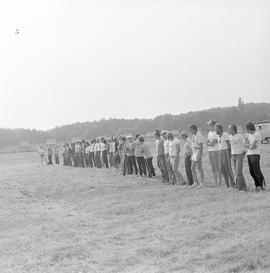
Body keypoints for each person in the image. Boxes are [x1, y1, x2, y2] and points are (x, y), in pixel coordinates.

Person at [245, 121, 266, 191]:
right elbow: (246, 144)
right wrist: (249, 145)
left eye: (247, 128)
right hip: (249, 154)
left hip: (255, 154)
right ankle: (257, 185)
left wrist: (249, 145)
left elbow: (253, 147)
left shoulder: (257, 134)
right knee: (251, 172)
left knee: (256, 170)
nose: (246, 130)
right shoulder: (247, 135)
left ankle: (261, 185)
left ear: (249, 128)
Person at [228, 124, 247, 191]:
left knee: (238, 171)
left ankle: (239, 188)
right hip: (233, 155)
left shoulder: (239, 136)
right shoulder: (230, 136)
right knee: (238, 172)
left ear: (234, 129)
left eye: (230, 128)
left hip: (239, 154)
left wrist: (244, 153)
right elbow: (231, 146)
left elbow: (244, 144)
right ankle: (244, 187)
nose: (229, 130)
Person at [189, 124, 205, 188]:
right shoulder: (193, 136)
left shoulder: (199, 135)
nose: (190, 131)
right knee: (192, 168)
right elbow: (193, 146)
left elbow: (201, 146)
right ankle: (195, 182)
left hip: (198, 152)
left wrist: (199, 154)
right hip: (194, 152)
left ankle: (202, 183)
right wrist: (192, 155)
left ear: (194, 129)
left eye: (191, 130)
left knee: (199, 168)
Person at [206, 120, 221, 186]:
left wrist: (209, 143)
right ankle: (215, 182)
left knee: (217, 167)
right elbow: (207, 142)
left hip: (215, 150)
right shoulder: (209, 133)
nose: (208, 126)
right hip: (210, 151)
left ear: (213, 125)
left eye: (209, 124)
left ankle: (219, 182)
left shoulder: (216, 133)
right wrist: (209, 143)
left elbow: (213, 143)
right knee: (213, 168)